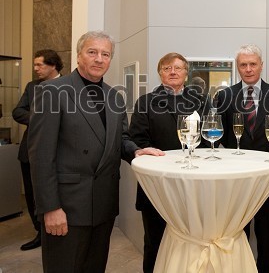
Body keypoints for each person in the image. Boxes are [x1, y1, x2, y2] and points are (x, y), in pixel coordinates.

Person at [27, 31, 164, 273]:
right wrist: (50, 208)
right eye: (92, 52)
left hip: (102, 205)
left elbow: (119, 139)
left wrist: (136, 152)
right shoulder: (51, 92)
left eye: (105, 54)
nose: (99, 59)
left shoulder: (115, 96)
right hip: (67, 207)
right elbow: (40, 156)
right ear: (79, 56)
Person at [129, 52, 211, 273]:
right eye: (166, 68)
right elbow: (137, 140)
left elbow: (207, 139)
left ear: (186, 73)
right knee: (155, 242)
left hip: (193, 184)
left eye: (177, 68)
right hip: (157, 185)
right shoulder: (145, 102)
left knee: (192, 242)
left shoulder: (201, 101)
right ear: (160, 73)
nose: (172, 72)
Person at [216, 44, 269, 273]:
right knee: (238, 229)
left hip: (268, 176)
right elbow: (221, 136)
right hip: (235, 176)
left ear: (261, 65)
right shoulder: (224, 95)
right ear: (237, 67)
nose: (248, 69)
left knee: (267, 231)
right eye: (243, 65)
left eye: (253, 64)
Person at [13, 49, 63, 251]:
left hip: (57, 153)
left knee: (53, 193)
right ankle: (39, 233)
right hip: (29, 151)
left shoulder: (67, 86)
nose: (35, 69)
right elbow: (18, 111)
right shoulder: (32, 86)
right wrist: (40, 119)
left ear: (53, 65)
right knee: (33, 193)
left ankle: (54, 231)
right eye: (35, 65)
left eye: (39, 65)